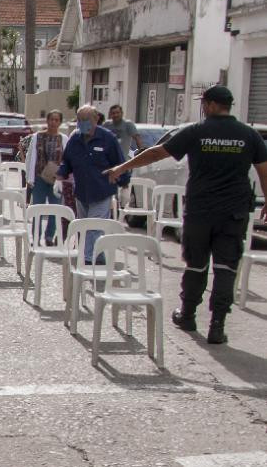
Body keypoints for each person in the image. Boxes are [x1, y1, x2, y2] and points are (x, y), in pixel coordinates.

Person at [106, 85, 267, 345]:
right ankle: (218, 325)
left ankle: (188, 314)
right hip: (233, 212)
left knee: (196, 264)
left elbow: (158, 152)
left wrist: (123, 166)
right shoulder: (248, 135)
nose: (203, 107)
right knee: (226, 267)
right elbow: (263, 169)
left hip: (201, 210)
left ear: (212, 105)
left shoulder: (197, 131)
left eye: (204, 103)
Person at [57, 104, 129, 261]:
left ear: (96, 119)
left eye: (87, 120)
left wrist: (125, 184)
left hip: (101, 191)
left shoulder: (107, 138)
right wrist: (59, 177)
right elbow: (66, 162)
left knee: (94, 227)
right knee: (84, 228)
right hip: (82, 192)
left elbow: (120, 163)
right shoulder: (75, 139)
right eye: (80, 120)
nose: (83, 123)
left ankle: (87, 260)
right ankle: (99, 258)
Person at [24, 110, 69, 245]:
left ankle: (49, 236)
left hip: (57, 179)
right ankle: (36, 237)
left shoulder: (64, 139)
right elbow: (31, 157)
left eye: (56, 120)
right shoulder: (37, 137)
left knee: (55, 208)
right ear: (47, 121)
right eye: (51, 119)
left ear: (60, 122)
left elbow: (67, 159)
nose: (53, 122)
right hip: (39, 177)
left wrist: (63, 176)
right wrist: (30, 177)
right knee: (38, 208)